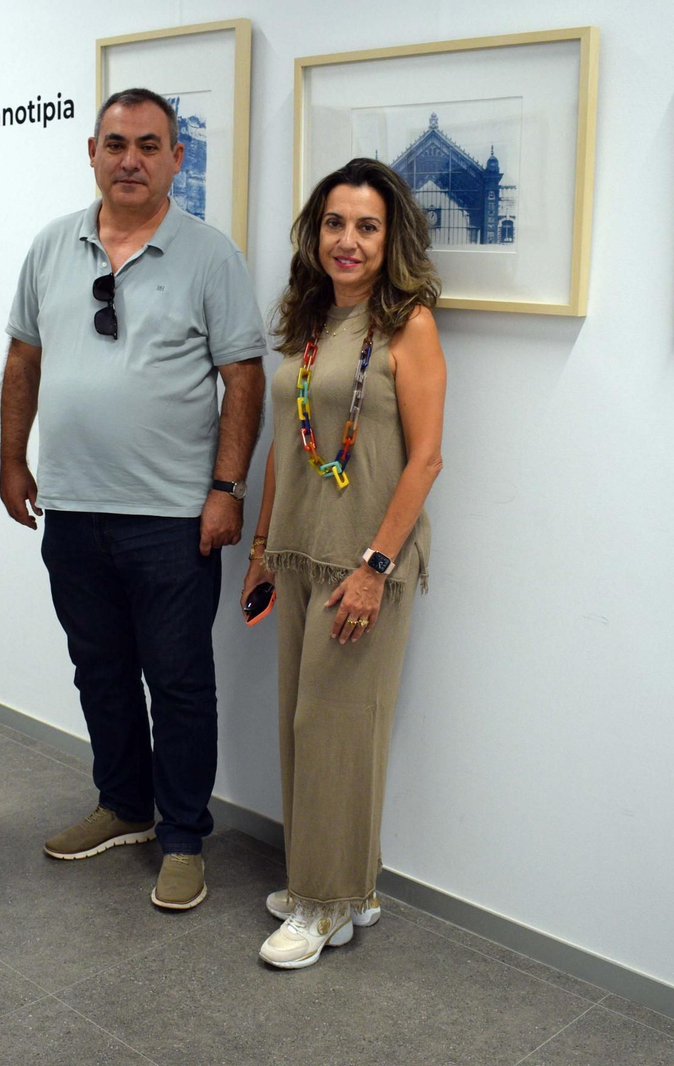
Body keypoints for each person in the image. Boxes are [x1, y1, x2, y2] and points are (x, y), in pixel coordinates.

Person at [0, 89, 267, 910]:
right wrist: (11, 460)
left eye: (150, 146)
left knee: (180, 679)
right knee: (100, 671)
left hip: (174, 517)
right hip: (74, 509)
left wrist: (225, 490)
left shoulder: (210, 256)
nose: (131, 160)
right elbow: (23, 362)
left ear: (176, 159)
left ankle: (183, 835)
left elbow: (244, 379)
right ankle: (124, 805)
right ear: (91, 151)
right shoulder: (52, 246)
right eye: (116, 143)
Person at [241, 158, 446, 967]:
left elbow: (425, 460)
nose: (348, 241)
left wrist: (374, 566)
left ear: (390, 236)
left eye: (366, 226)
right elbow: (279, 448)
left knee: (336, 730)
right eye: (334, 223)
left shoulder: (411, 325)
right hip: (299, 551)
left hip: (364, 561)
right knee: (304, 725)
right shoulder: (309, 318)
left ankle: (322, 906)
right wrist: (262, 548)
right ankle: (341, 888)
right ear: (315, 232)